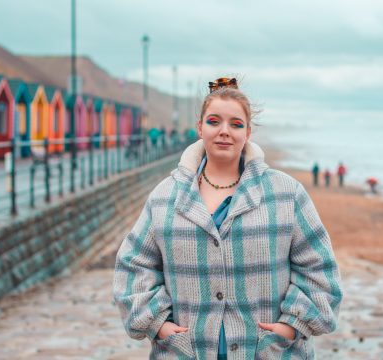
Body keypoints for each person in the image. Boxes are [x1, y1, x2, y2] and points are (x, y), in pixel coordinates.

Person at [113, 77, 343, 359]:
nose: (224, 131)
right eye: (214, 121)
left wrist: (291, 325)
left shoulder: (286, 194)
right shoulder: (165, 196)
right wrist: (157, 323)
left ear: (248, 132)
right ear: (199, 128)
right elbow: (133, 265)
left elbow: (320, 270)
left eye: (236, 124)